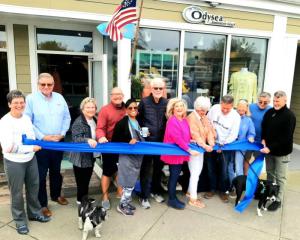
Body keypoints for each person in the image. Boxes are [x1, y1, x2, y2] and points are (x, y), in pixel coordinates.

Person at [0, 90, 50, 235]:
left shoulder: (26, 118)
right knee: (16, 193)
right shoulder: (4, 122)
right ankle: (20, 220)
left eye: (22, 102)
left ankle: (34, 213)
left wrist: (43, 140)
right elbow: (8, 147)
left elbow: (32, 135)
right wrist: (31, 147)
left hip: (30, 159)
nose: (19, 105)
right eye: (15, 103)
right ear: (9, 104)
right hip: (14, 162)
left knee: (34, 187)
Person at [25, 73, 71, 217]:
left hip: (58, 142)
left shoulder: (59, 98)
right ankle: (42, 204)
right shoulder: (31, 99)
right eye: (43, 84)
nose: (46, 87)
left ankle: (56, 195)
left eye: (49, 84)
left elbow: (66, 117)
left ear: (53, 85)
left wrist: (62, 133)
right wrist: (43, 136)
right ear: (38, 85)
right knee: (41, 175)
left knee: (56, 172)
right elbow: (28, 121)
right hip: (42, 144)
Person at [261, 91, 296, 211]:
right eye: (274, 101)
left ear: (285, 100)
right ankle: (270, 194)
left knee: (281, 177)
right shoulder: (270, 112)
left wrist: (270, 147)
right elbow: (264, 127)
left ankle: (278, 200)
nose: (275, 103)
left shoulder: (289, 116)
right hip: (269, 151)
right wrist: (263, 139)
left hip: (282, 152)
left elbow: (285, 137)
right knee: (270, 174)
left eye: (278, 101)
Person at [161, 98, 199, 210]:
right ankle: (171, 200)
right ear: (172, 109)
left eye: (181, 106)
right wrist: (189, 150)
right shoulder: (172, 120)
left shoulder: (183, 120)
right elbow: (176, 138)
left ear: (184, 108)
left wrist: (190, 140)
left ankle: (173, 198)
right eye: (176, 106)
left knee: (176, 176)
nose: (179, 108)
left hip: (180, 152)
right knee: (174, 176)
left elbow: (184, 136)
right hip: (174, 153)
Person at [138, 78, 168, 209]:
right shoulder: (144, 102)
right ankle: (144, 196)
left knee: (157, 169)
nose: (158, 90)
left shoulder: (166, 102)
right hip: (147, 143)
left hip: (161, 143)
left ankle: (155, 191)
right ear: (151, 89)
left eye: (160, 88)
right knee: (145, 170)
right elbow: (138, 121)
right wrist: (142, 133)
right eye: (155, 88)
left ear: (163, 89)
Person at [112, 99, 144, 216]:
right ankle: (122, 205)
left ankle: (126, 202)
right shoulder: (121, 123)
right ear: (126, 110)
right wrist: (127, 141)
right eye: (130, 108)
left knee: (132, 180)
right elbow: (115, 141)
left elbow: (140, 138)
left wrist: (145, 135)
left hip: (137, 157)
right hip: (126, 157)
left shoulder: (139, 122)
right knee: (127, 181)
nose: (133, 110)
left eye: (135, 108)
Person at [206, 95, 240, 203]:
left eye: (228, 109)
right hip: (211, 143)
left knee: (224, 170)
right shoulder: (214, 108)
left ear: (232, 106)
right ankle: (212, 189)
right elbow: (207, 122)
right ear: (220, 103)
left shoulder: (236, 116)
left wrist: (222, 144)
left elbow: (233, 135)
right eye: (223, 108)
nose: (225, 110)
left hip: (226, 145)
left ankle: (223, 191)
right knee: (210, 168)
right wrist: (211, 135)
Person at [96, 87, 126, 210]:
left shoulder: (128, 108)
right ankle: (105, 197)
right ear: (110, 96)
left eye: (119, 94)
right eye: (114, 94)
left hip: (124, 146)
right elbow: (99, 128)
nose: (117, 96)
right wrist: (101, 137)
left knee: (121, 170)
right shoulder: (105, 110)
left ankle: (121, 194)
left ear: (123, 95)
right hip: (109, 145)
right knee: (108, 172)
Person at [69, 97, 98, 222]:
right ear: (83, 109)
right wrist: (87, 140)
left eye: (93, 107)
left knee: (86, 179)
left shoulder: (95, 119)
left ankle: (85, 198)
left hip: (91, 155)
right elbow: (76, 139)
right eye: (88, 107)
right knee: (82, 182)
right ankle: (81, 203)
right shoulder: (78, 122)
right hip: (80, 157)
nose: (91, 109)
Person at [186, 96, 216, 208]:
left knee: (197, 172)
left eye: (206, 110)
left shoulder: (203, 117)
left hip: (202, 149)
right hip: (194, 149)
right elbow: (195, 135)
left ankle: (189, 192)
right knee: (194, 173)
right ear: (197, 108)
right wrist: (205, 146)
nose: (205, 112)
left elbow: (209, 131)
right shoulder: (191, 118)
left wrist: (212, 143)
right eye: (203, 110)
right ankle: (193, 199)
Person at [230, 99, 255, 186]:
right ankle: (231, 184)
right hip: (229, 146)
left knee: (238, 167)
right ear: (237, 107)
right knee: (230, 166)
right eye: (239, 107)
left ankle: (239, 185)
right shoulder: (231, 116)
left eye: (243, 107)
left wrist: (250, 137)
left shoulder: (248, 120)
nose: (241, 109)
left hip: (241, 148)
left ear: (246, 109)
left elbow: (251, 133)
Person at [245, 92, 271, 174]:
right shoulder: (251, 106)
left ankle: (254, 177)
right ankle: (245, 177)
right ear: (257, 100)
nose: (262, 104)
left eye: (265, 102)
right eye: (260, 102)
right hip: (249, 140)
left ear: (269, 102)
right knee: (246, 159)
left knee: (258, 161)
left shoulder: (270, 110)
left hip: (262, 141)